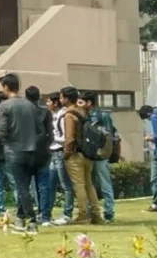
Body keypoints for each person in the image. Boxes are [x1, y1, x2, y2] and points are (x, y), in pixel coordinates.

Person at [0, 74, 47, 233]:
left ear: (6, 87)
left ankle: (32, 220)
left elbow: (2, 131)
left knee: (21, 188)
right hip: (31, 151)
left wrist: (4, 140)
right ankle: (20, 218)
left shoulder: (5, 106)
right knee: (24, 185)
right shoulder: (31, 106)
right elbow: (40, 130)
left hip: (14, 151)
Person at [64, 93, 102, 224]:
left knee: (79, 185)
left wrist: (67, 154)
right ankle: (96, 214)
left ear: (66, 99)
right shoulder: (84, 112)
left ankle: (83, 214)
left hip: (75, 154)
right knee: (89, 185)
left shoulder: (70, 114)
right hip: (87, 153)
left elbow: (69, 137)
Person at [81, 92, 116, 223]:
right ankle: (92, 212)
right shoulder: (82, 115)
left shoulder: (102, 115)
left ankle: (109, 213)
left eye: (81, 102)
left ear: (89, 102)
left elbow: (109, 136)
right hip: (87, 154)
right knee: (89, 184)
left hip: (100, 155)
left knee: (104, 183)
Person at [44, 91, 74, 226]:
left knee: (66, 185)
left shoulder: (63, 116)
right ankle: (47, 213)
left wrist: (51, 137)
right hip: (54, 153)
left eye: (49, 101)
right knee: (50, 184)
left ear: (55, 103)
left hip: (61, 152)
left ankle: (67, 214)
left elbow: (65, 138)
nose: (47, 104)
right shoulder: (54, 115)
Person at [25, 85, 53, 224]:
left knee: (24, 186)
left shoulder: (23, 112)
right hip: (42, 152)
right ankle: (45, 214)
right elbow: (50, 133)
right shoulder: (45, 112)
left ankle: (26, 214)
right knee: (43, 185)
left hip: (25, 151)